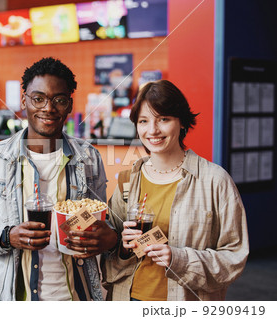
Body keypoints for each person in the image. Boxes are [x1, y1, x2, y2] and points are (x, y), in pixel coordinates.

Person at [0, 57, 118, 301]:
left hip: (76, 295)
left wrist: (104, 237)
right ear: (24, 101)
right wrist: (6, 236)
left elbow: (99, 221)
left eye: (59, 100)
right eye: (38, 98)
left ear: (70, 105)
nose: (48, 108)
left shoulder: (89, 158)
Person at [101, 80, 249, 301]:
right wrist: (122, 247)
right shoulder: (127, 180)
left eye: (163, 119)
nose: (152, 130)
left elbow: (234, 259)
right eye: (143, 121)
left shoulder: (214, 181)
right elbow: (109, 254)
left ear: (182, 122)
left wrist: (178, 259)